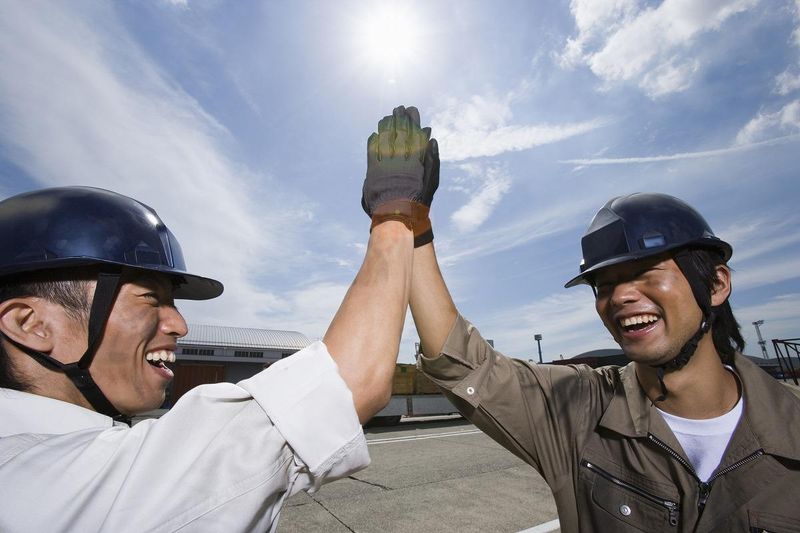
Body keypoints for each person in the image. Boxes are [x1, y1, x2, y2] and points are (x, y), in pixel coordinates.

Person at [0, 106, 434, 532]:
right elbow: (346, 384)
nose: (179, 325)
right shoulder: (61, 486)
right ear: (31, 324)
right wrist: (396, 209)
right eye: (150, 298)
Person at [402, 116, 800, 530]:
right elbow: (463, 364)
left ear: (716, 284)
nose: (621, 296)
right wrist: (412, 226)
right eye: (604, 285)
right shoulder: (579, 408)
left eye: (645, 271)